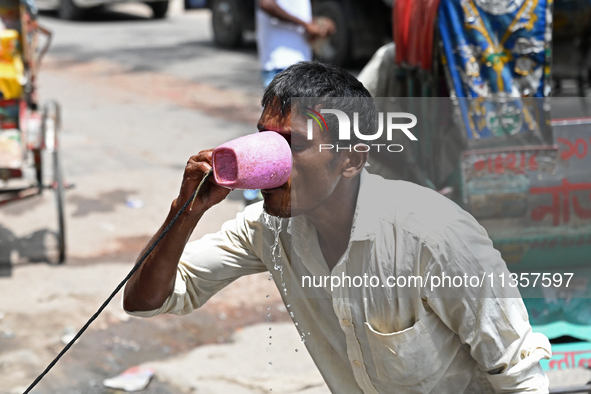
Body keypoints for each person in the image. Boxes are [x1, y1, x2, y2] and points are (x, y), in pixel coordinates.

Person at [123, 62, 551, 393]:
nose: (271, 162)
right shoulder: (266, 230)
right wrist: (185, 211)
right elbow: (144, 301)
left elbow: (519, 374)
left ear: (351, 159)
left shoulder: (431, 235)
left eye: (294, 142)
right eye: (265, 139)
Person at [256, 0, 333, 87]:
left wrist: (317, 25)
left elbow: (296, 12)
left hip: (298, 64)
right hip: (280, 63)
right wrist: (305, 25)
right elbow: (266, 4)